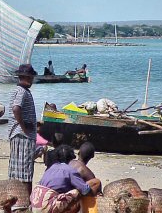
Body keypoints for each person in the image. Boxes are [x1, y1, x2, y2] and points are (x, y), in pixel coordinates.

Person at [31, 145, 101, 213]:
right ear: (71, 158)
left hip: (35, 204)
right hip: (47, 207)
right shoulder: (70, 170)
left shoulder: (51, 168)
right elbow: (85, 190)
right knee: (93, 184)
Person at [8, 64, 37, 196]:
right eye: (30, 78)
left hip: (18, 134)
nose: (32, 80)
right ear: (25, 77)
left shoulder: (21, 90)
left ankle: (16, 199)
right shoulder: (21, 91)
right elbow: (16, 108)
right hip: (22, 135)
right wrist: (24, 127)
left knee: (17, 170)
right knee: (25, 171)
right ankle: (25, 202)